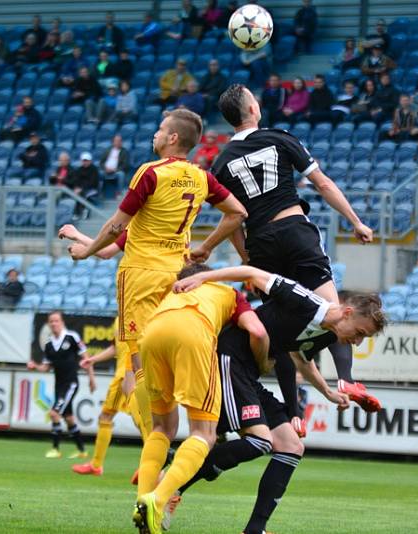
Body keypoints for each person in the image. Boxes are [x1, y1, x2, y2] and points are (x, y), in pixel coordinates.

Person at [62, 109, 247, 452]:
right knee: (164, 359)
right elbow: (238, 213)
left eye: (161, 129)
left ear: (173, 138)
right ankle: (189, 428)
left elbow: (117, 226)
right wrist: (206, 247)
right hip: (179, 275)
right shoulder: (201, 178)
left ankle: (155, 445)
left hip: (142, 275)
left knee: (139, 364)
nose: (155, 134)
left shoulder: (150, 173)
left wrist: (86, 252)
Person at [168, 266, 386, 534]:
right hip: (230, 358)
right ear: (348, 312)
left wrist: (328, 392)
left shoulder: (327, 331)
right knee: (259, 441)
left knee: (291, 446)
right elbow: (251, 272)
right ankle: (173, 482)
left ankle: (254, 529)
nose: (358, 342)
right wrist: (201, 277)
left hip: (248, 373)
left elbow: (302, 361)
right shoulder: (307, 302)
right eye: (361, 333)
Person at [213, 84, 381, 412]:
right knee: (333, 310)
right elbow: (323, 184)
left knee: (287, 333)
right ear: (252, 110)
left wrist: (249, 261)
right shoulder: (280, 137)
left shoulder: (220, 164)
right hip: (294, 230)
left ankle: (293, 413)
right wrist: (356, 221)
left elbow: (233, 220)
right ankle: (345, 377)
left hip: (260, 243)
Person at [132, 263, 267, 534]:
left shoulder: (172, 292)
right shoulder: (227, 292)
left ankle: (142, 503)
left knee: (161, 428)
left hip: (151, 335)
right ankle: (158, 500)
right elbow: (258, 331)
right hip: (193, 333)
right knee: (203, 433)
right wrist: (262, 364)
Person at [72, 318, 151, 476]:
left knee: (135, 418)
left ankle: (152, 464)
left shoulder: (137, 314)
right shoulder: (119, 319)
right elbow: (115, 348)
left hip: (129, 375)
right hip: (123, 374)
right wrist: (93, 359)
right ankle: (152, 463)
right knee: (115, 417)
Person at [27, 311, 96, 459]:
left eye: (56, 321)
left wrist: (91, 379)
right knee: (69, 418)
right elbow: (46, 368)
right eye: (51, 321)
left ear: (62, 322)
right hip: (58, 386)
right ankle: (82, 450)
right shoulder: (49, 345)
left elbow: (86, 358)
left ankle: (56, 449)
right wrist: (35, 366)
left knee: (54, 413)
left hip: (71, 383)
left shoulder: (72, 337)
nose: (54, 324)